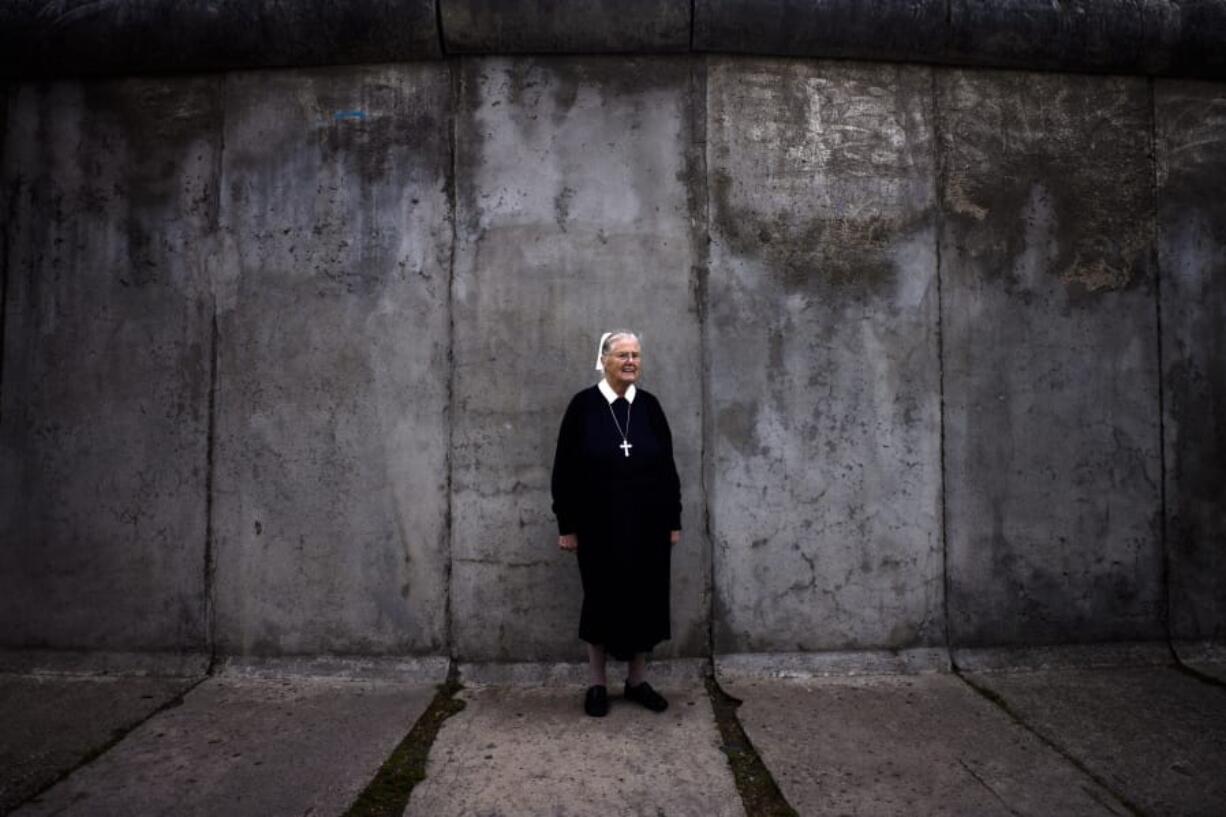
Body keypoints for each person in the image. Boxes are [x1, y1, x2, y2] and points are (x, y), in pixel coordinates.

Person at [551, 330, 682, 717]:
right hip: (598, 528)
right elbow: (564, 471)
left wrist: (673, 521)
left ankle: (637, 681)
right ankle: (597, 684)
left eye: (636, 355)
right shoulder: (583, 406)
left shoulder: (650, 407)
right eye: (623, 354)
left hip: (649, 527)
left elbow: (668, 469)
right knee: (600, 602)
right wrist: (567, 525)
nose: (631, 362)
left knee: (646, 601)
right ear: (604, 359)